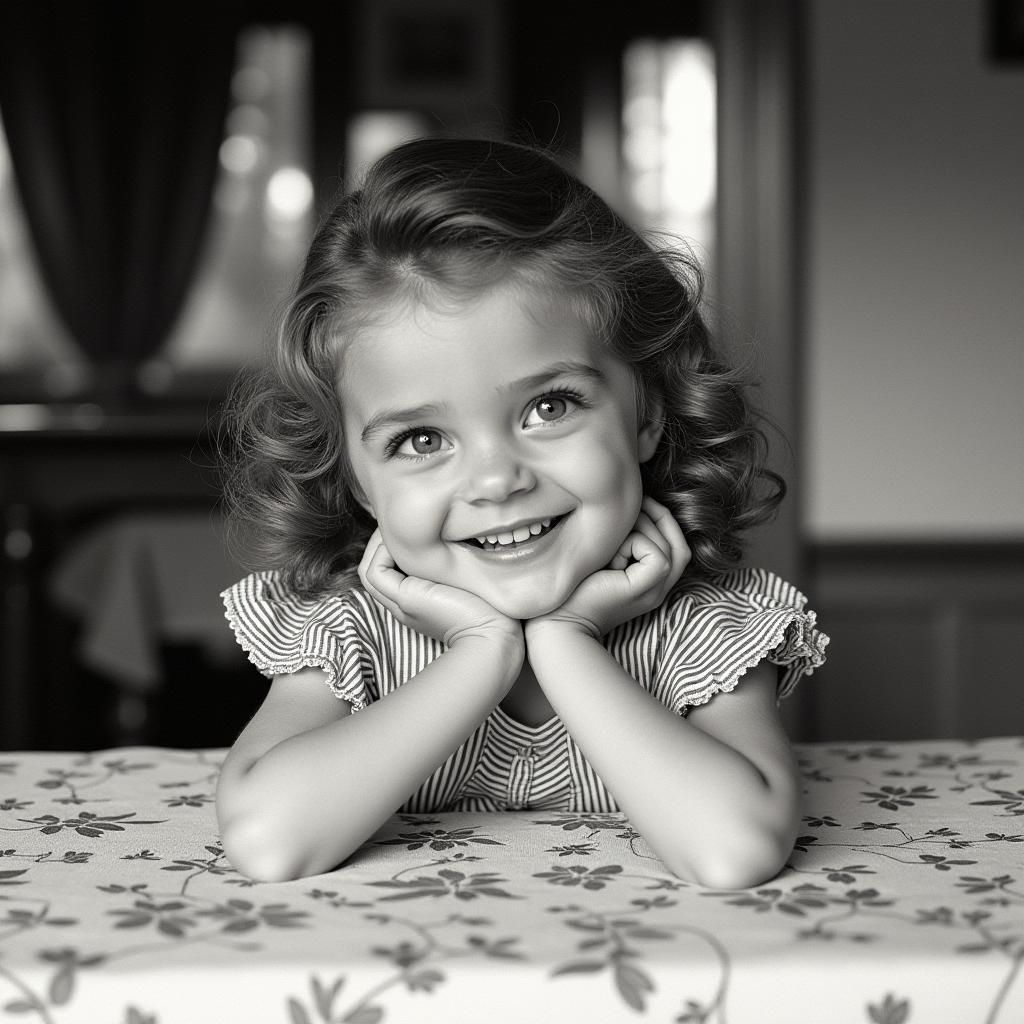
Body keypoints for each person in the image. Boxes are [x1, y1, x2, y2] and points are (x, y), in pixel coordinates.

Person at [215, 136, 828, 887]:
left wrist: (568, 642)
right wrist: (481, 652)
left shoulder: (702, 630)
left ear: (647, 416)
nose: (497, 480)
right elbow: (269, 839)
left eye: (549, 406)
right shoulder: (351, 634)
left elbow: (733, 849)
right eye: (421, 439)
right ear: (358, 483)